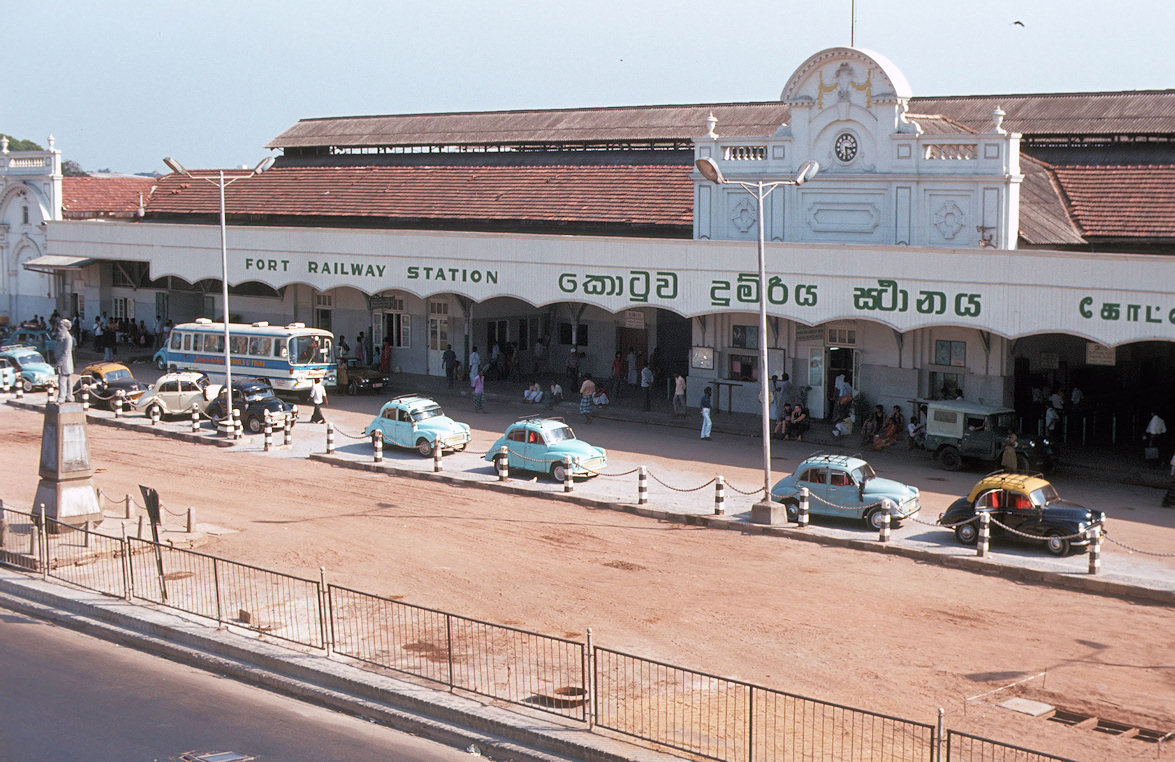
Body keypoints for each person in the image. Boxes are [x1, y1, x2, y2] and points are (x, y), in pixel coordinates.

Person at [53, 318, 74, 403]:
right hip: (62, 362)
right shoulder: (61, 336)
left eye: (61, 326)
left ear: (66, 327)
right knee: (68, 381)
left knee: (62, 380)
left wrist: (59, 364)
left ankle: (61, 397)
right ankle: (69, 396)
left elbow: (66, 353)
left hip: (65, 363)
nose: (59, 328)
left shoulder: (68, 338)